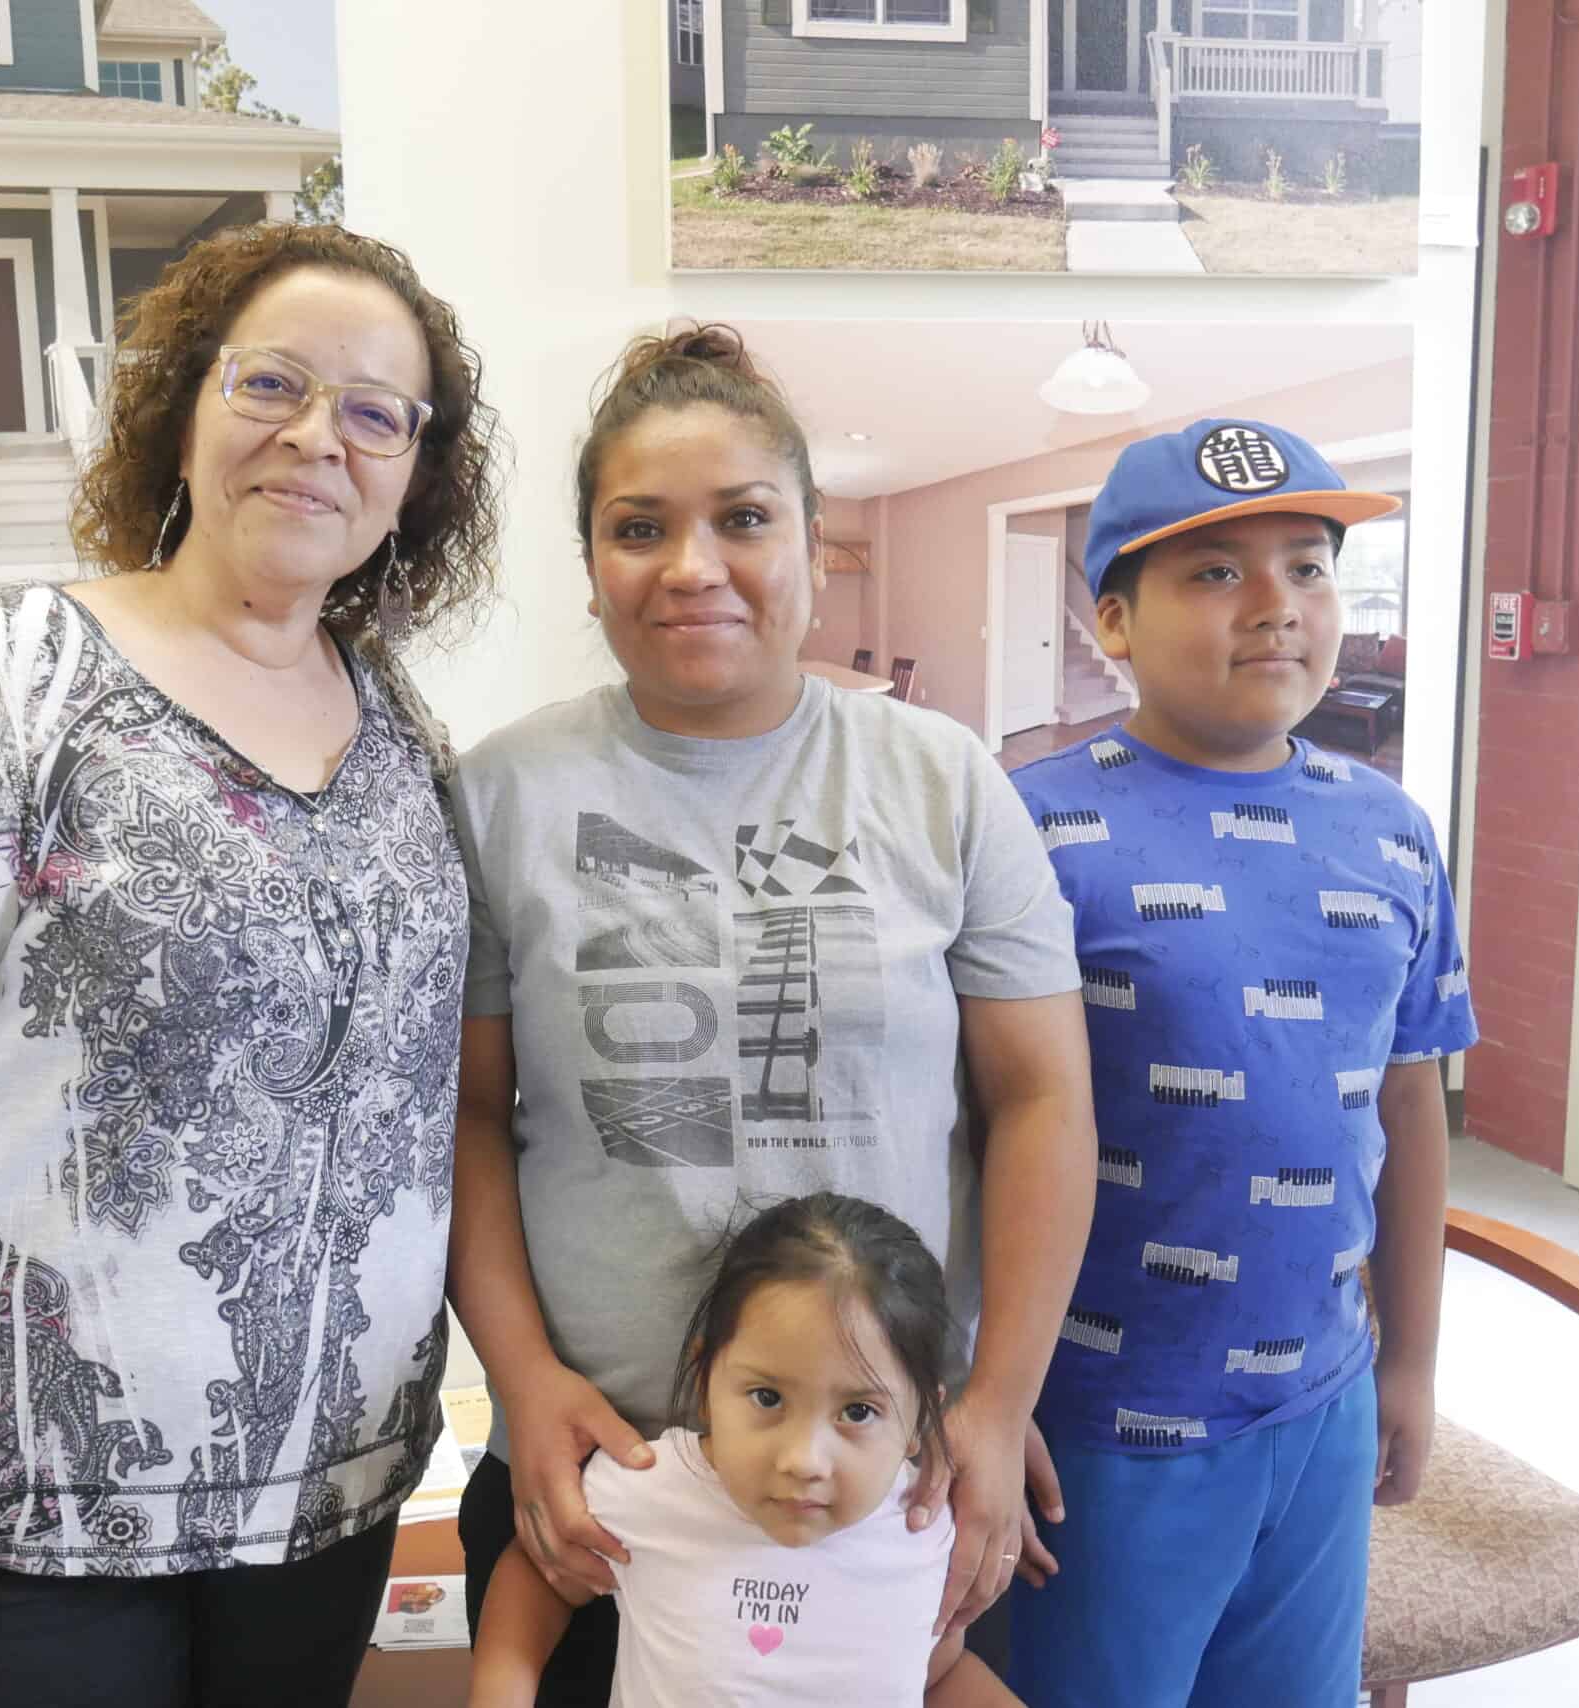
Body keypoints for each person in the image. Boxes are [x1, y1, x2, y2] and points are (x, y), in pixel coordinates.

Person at [0, 223, 504, 1708]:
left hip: (326, 1502)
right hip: (12, 1515)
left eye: (372, 412)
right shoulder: (4, 677)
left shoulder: (399, 723)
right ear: (185, 409)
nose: (313, 439)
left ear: (418, 470)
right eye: (271, 383)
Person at [445, 323, 1096, 1706]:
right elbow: (465, 1121)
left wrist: (994, 1403)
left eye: (744, 519)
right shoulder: (502, 796)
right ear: (591, 563)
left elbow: (1042, 1101)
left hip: (880, 1468)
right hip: (601, 1476)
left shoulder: (943, 780)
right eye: (640, 528)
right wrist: (522, 1380)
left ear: (814, 540)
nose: (693, 567)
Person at [1003, 419, 1479, 1707]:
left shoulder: (1390, 832)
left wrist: (1410, 1364)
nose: (1275, 605)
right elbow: (965, 1130)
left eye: (1307, 567)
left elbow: (1409, 1099)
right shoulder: (1029, 827)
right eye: (1215, 572)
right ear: (1112, 620)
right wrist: (979, 1404)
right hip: (1095, 1425)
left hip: (1314, 1410)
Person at [468, 1193, 1022, 1706]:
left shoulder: (926, 1528)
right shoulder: (650, 1489)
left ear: (921, 1418)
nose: (803, 1460)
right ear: (705, 1377)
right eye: (767, 1397)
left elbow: (941, 1670)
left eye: (857, 1412)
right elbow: (538, 1569)